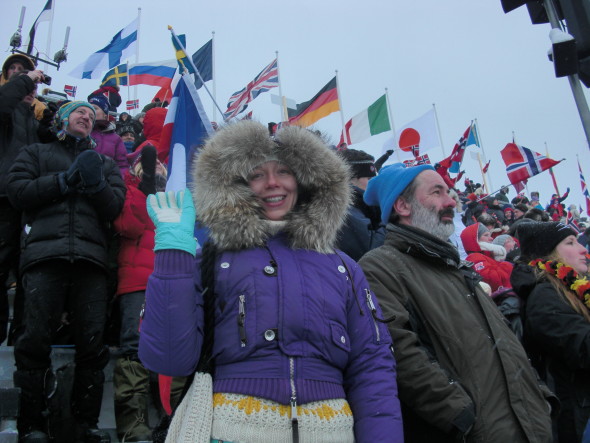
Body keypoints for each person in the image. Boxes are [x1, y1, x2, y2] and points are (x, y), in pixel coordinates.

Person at [138, 121, 403, 442]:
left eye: (284, 172)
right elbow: (169, 359)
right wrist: (172, 253)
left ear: (305, 181)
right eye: (257, 174)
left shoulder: (344, 268)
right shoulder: (209, 261)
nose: (272, 183)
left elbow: (373, 368)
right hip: (230, 431)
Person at [358, 163, 555, 442]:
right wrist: (462, 417)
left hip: (530, 427)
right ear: (402, 205)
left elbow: (505, 341)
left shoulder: (455, 268)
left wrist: (541, 396)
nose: (451, 201)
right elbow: (400, 353)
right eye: (437, 192)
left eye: (449, 192)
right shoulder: (381, 267)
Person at [7, 101, 126, 442]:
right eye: (79, 112)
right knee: (33, 341)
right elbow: (18, 192)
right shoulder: (36, 152)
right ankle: (32, 425)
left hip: (91, 261)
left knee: (93, 343)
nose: (86, 117)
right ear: (61, 119)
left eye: (91, 115)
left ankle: (85, 424)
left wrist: (94, 184)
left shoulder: (103, 164)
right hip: (45, 257)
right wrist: (63, 181)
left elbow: (115, 206)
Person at [511, 221, 590, 442]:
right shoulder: (544, 297)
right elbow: (584, 348)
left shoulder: (572, 288)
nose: (583, 248)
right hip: (574, 419)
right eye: (570, 242)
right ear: (548, 254)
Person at [112, 145, 166, 441]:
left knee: (174, 349)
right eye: (149, 162)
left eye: (159, 162)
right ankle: (135, 428)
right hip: (137, 282)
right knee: (134, 349)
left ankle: (171, 420)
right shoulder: (129, 189)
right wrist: (144, 188)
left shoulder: (177, 195)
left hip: (174, 284)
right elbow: (129, 226)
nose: (155, 165)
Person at [0, 69, 46, 345]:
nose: (31, 89)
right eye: (23, 83)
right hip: (4, 199)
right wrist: (27, 79)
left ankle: (20, 334)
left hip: (29, 204)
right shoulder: (6, 114)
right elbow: (4, 101)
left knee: (28, 269)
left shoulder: (32, 121)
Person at [336, 148, 385, 261]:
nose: (374, 183)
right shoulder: (343, 209)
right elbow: (371, 253)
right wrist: (390, 216)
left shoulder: (361, 205)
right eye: (369, 178)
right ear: (349, 179)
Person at [460, 222, 513, 292]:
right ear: (475, 240)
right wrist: (506, 265)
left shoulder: (486, 256)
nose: (491, 238)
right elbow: (491, 281)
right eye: (486, 235)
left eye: (490, 235)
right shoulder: (474, 257)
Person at [88, 94, 128, 174]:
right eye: (88, 108)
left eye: (95, 108)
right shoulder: (81, 132)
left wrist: (117, 183)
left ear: (105, 115)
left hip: (108, 182)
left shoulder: (115, 138)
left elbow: (123, 165)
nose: (90, 111)